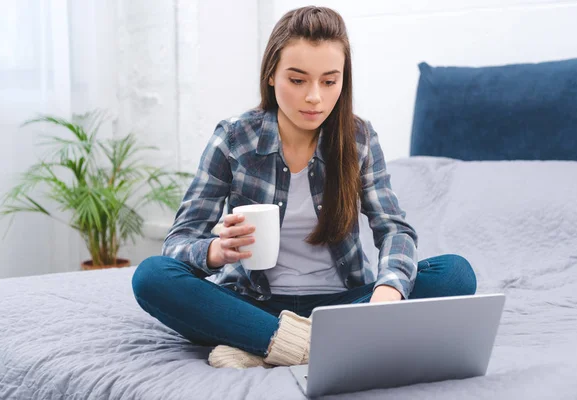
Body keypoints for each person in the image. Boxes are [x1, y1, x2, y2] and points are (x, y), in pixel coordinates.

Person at [132, 6, 477, 369]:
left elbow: (394, 229)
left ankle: (264, 345)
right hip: (250, 303)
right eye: (297, 80)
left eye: (329, 81)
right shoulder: (233, 139)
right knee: (152, 276)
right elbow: (177, 244)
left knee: (455, 274)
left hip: (343, 305)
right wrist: (216, 251)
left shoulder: (359, 138)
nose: (315, 97)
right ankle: (312, 346)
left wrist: (387, 293)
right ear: (271, 76)